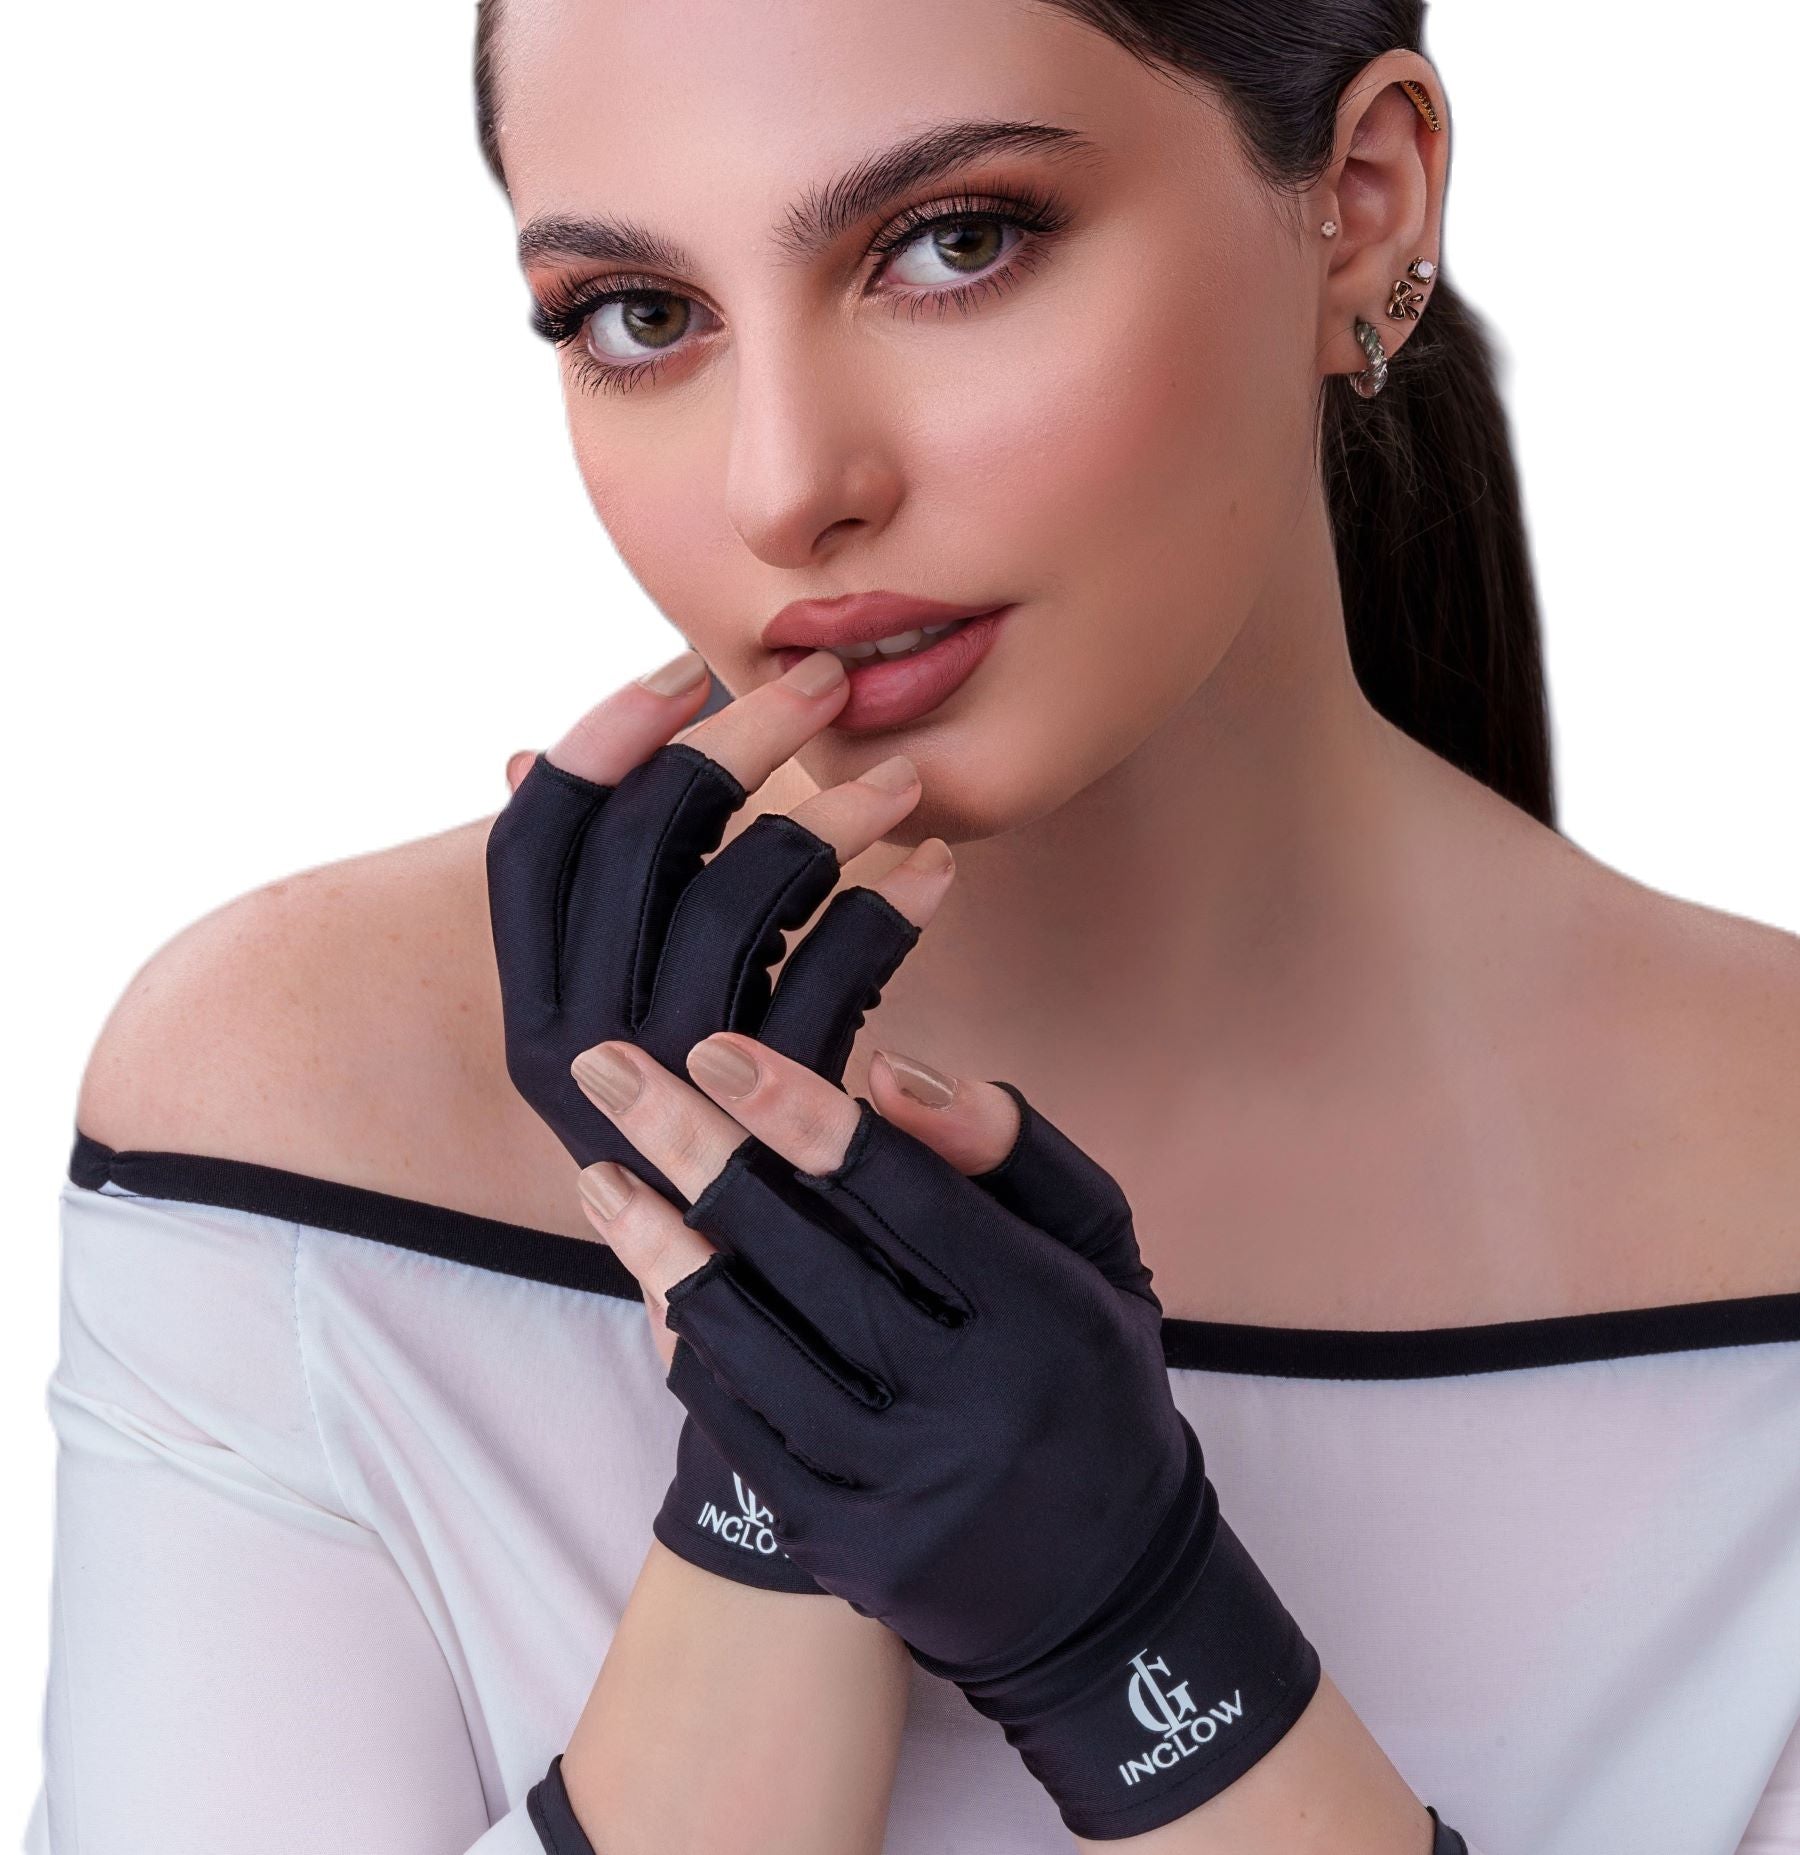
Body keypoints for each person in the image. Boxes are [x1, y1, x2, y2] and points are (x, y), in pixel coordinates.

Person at [26, 0, 1800, 1850]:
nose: (787, 487)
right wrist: (778, 1469)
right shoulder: (293, 1095)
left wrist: (1134, 1642)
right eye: (641, 314)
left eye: (955, 243)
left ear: (1360, 200)